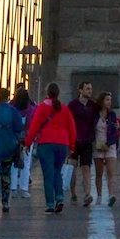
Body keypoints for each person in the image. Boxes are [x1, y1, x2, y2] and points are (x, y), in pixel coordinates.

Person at [24, 81, 76, 213]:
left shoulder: (41, 107)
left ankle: (50, 204)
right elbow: (72, 128)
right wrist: (72, 146)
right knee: (57, 172)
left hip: (46, 144)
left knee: (48, 174)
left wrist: (28, 143)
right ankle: (60, 198)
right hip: (62, 144)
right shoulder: (64, 108)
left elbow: (34, 127)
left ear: (47, 93)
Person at [67, 79, 99, 206]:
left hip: (87, 141)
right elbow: (68, 122)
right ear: (80, 90)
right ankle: (73, 194)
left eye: (90, 89)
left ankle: (87, 194)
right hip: (74, 141)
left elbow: (96, 121)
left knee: (86, 168)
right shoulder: (72, 105)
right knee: (73, 168)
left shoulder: (93, 106)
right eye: (87, 89)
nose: (90, 91)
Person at [93, 91, 120, 205]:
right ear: (101, 101)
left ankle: (111, 195)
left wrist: (108, 144)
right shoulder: (95, 115)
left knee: (110, 171)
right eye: (107, 100)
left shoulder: (112, 115)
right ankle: (99, 195)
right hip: (98, 146)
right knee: (99, 172)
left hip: (110, 145)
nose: (109, 102)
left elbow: (114, 132)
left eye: (110, 100)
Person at [9, 84, 36, 199]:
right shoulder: (32, 108)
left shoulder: (11, 107)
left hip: (13, 139)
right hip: (28, 139)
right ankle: (24, 189)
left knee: (13, 163)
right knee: (26, 163)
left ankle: (13, 188)